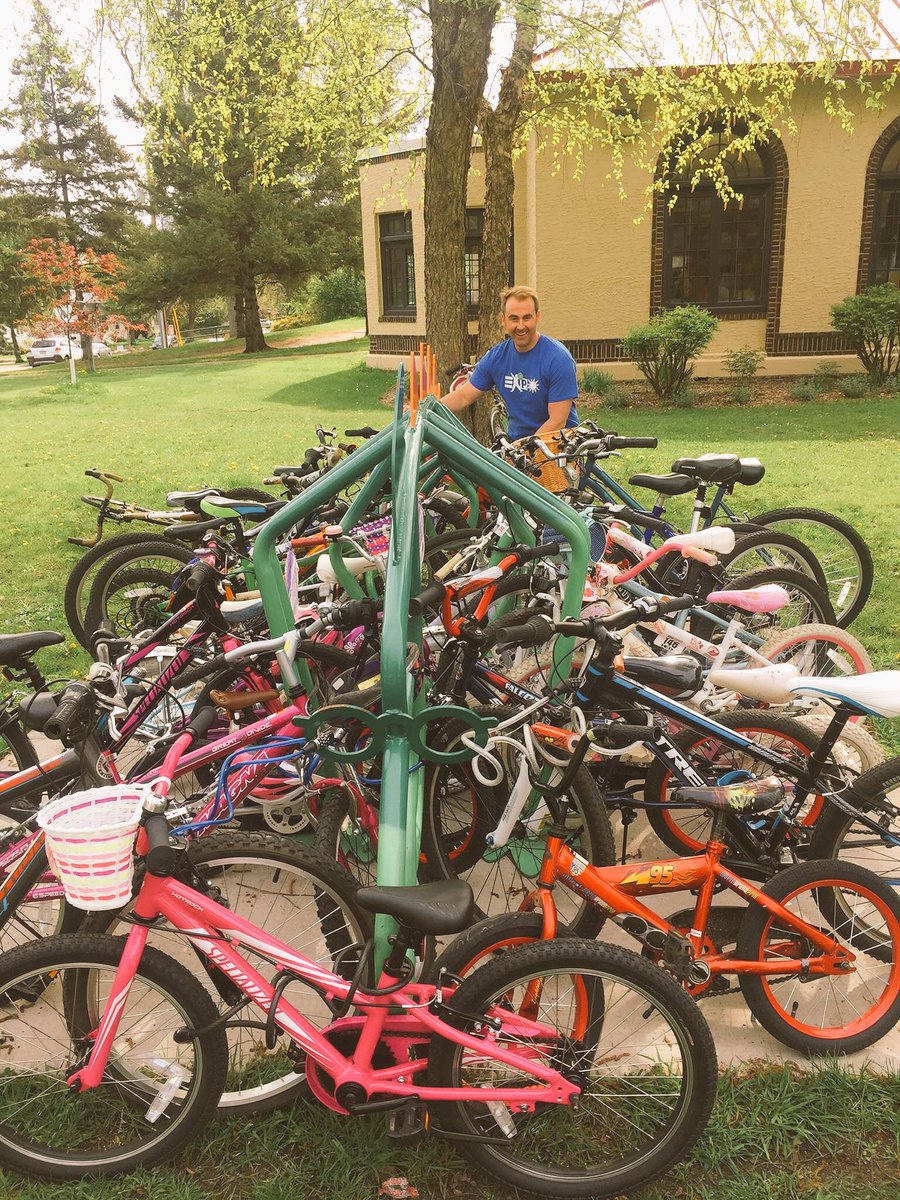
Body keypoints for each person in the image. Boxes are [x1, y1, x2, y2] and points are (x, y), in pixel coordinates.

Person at [440, 285, 579, 439]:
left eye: (527, 317)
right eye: (514, 318)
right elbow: (463, 397)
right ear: (503, 320)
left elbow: (557, 421)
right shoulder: (497, 357)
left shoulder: (558, 359)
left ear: (537, 317)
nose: (520, 326)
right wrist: (428, 408)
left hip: (558, 448)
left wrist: (524, 452)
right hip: (516, 446)